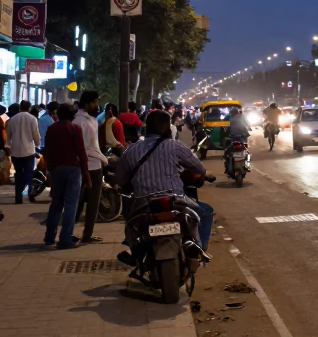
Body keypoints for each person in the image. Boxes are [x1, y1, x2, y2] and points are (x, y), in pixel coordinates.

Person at [117, 110, 215, 256]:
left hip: (143, 202)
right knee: (205, 212)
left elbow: (121, 179)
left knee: (130, 225)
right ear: (165, 127)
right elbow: (199, 168)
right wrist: (206, 175)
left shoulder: (131, 149)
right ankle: (199, 247)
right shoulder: (174, 145)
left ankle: (135, 251)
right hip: (175, 200)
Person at [42, 104, 90, 249]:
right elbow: (81, 152)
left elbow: (47, 151)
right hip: (73, 169)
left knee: (56, 203)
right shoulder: (75, 128)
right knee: (71, 204)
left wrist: (48, 169)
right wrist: (86, 173)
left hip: (56, 168)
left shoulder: (52, 128)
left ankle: (50, 236)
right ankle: (65, 237)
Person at [73, 93, 110, 243]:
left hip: (95, 166)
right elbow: (84, 148)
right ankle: (68, 233)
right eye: (94, 102)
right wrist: (103, 159)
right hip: (84, 166)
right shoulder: (79, 121)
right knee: (77, 202)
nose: (97, 105)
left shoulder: (92, 120)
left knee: (93, 204)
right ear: (87, 104)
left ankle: (88, 234)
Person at [6, 100, 40, 204]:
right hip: (29, 151)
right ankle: (30, 194)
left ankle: (18, 197)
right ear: (29, 108)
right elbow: (36, 135)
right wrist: (37, 145)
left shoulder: (12, 119)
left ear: (20, 107)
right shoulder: (33, 119)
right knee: (28, 174)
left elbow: (9, 136)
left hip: (16, 151)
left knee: (19, 174)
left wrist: (8, 146)